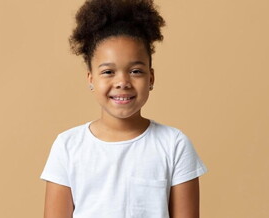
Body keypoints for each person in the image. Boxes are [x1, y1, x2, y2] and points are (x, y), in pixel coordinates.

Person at [40, 0, 207, 217]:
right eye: (108, 72)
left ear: (151, 77)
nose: (123, 82)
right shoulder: (68, 147)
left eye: (136, 71)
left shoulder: (174, 145)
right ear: (90, 79)